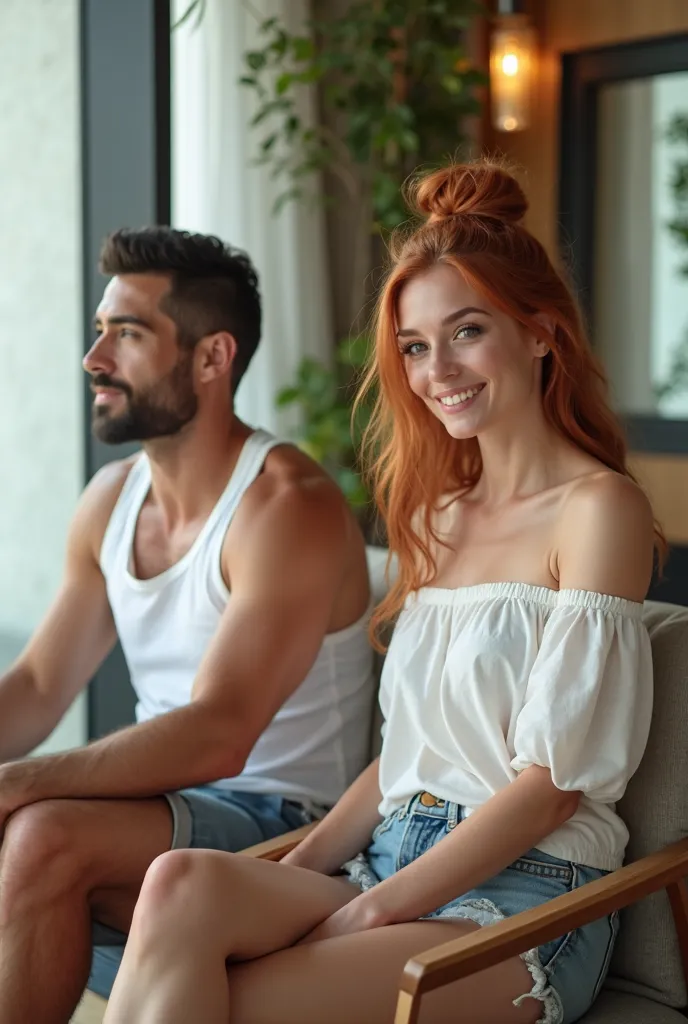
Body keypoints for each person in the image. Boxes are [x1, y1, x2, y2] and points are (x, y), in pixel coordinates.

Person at [102, 162, 660, 1024]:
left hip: (528, 897)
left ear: (541, 333)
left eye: (467, 332)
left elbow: (550, 787)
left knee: (231, 999)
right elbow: (404, 757)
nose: (438, 369)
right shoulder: (440, 513)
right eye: (413, 345)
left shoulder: (599, 510)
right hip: (394, 856)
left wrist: (366, 912)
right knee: (181, 883)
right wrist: (282, 882)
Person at [0, 227, 375, 1024]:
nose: (94, 358)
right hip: (166, 809)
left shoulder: (284, 506)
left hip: (288, 829)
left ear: (212, 359)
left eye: (127, 335)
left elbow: (219, 733)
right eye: (101, 330)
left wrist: (18, 782)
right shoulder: (111, 498)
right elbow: (36, 687)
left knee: (39, 833)